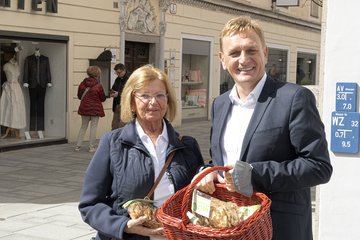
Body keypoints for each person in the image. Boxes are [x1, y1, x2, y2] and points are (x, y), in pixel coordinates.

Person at [195, 16, 333, 240]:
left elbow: (318, 166)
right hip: (231, 229)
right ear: (222, 59)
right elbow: (222, 161)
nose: (243, 59)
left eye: (251, 50)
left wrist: (254, 174)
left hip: (278, 229)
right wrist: (207, 173)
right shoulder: (219, 104)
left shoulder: (294, 98)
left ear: (265, 53)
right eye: (234, 53)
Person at [78, 64, 204, 240]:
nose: (153, 102)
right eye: (145, 96)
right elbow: (90, 204)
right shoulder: (112, 143)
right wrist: (123, 226)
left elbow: (201, 197)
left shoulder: (187, 146)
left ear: (168, 101)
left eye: (160, 95)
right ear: (131, 102)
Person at [75, 65, 106, 153]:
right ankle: (91, 147)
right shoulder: (98, 86)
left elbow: (79, 96)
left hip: (84, 108)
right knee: (93, 127)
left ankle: (78, 146)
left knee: (83, 127)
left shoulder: (82, 84)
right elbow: (103, 98)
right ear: (98, 74)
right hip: (95, 109)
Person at [23, 48, 52, 134]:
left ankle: (40, 128)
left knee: (41, 106)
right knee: (32, 106)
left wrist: (49, 81)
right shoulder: (28, 58)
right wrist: (25, 81)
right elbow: (26, 70)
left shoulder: (45, 59)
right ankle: (32, 128)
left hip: (42, 84)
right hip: (32, 84)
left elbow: (48, 70)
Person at [0, 49, 26, 138]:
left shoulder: (17, 66)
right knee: (9, 106)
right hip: (9, 87)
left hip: (17, 87)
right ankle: (9, 124)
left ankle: (15, 124)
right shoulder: (6, 65)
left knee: (17, 106)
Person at [109, 63, 129, 130]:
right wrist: (111, 92)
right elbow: (114, 88)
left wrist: (118, 94)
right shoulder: (117, 79)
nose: (117, 74)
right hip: (117, 105)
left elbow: (130, 93)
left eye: (119, 72)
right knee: (114, 126)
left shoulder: (129, 79)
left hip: (125, 106)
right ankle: (114, 140)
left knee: (122, 127)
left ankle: (120, 140)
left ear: (124, 70)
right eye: (116, 73)